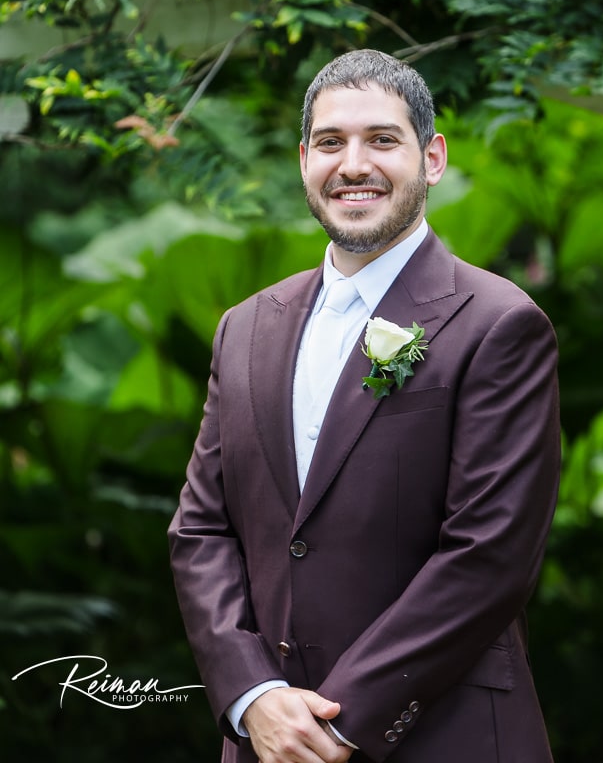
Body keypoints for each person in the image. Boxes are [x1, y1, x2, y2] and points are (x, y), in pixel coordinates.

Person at [168, 49, 561, 763]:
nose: (353, 165)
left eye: (382, 140)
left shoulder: (498, 323)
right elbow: (201, 532)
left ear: (432, 157)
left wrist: (338, 726)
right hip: (266, 742)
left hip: (445, 736)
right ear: (303, 160)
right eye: (330, 143)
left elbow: (489, 554)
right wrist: (254, 696)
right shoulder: (243, 328)